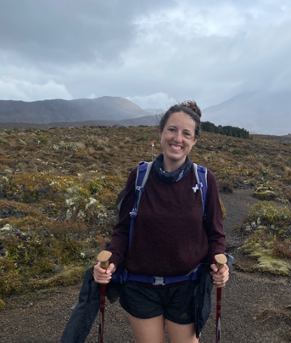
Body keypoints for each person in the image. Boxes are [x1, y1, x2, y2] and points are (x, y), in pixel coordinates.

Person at [93, 100, 229, 343]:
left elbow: (215, 234)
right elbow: (123, 230)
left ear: (194, 140)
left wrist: (219, 264)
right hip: (141, 287)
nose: (178, 138)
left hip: (187, 287)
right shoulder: (139, 177)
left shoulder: (206, 180)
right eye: (172, 130)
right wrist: (111, 262)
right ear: (161, 132)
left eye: (186, 133)